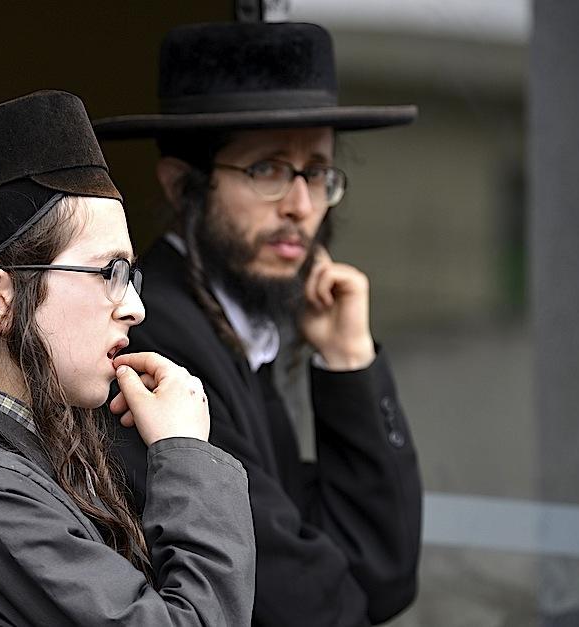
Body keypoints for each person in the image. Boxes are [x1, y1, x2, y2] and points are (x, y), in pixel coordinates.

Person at [0, 90, 255, 626]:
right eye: (110, 272)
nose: (135, 307)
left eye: (132, 275)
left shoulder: (29, 458)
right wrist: (185, 453)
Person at [94, 22, 422, 626]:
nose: (301, 205)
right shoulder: (149, 334)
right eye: (267, 169)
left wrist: (349, 362)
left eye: (317, 172)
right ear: (183, 186)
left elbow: (383, 575)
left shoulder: (241, 326)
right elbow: (300, 605)